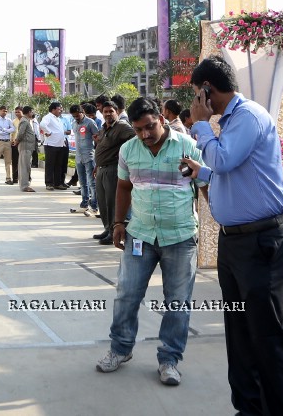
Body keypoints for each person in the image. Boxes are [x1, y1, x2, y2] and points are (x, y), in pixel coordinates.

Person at [186, 55, 283, 414]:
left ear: (207, 89)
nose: (195, 104)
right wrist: (200, 172)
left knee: (264, 335)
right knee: (239, 332)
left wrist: (201, 126)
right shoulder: (232, 123)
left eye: (197, 95)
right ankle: (248, 408)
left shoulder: (247, 115)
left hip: (261, 241)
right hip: (235, 242)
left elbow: (225, 160)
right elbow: (226, 172)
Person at [97, 98, 206, 386]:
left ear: (161, 117)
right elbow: (123, 186)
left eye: (149, 127)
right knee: (127, 295)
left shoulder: (188, 146)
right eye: (138, 129)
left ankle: (169, 359)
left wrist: (214, 229)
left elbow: (204, 188)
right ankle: (120, 349)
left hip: (180, 237)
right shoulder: (128, 150)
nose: (145, 134)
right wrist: (119, 223)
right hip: (140, 235)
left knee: (177, 303)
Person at [94, 95, 134, 245]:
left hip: (113, 170)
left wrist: (123, 154)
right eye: (105, 111)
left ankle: (113, 232)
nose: (108, 114)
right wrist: (96, 166)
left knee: (112, 202)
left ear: (117, 112)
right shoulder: (104, 128)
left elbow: (134, 138)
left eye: (111, 111)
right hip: (101, 169)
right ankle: (106, 228)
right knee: (102, 202)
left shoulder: (122, 127)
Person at [69, 104, 100, 217]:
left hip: (89, 156)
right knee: (82, 183)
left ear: (83, 112)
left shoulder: (90, 123)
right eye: (74, 116)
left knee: (92, 182)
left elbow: (98, 138)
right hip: (79, 157)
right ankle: (84, 204)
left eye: (78, 115)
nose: (76, 118)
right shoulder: (74, 124)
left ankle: (94, 206)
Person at [40, 102, 68, 190]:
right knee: (50, 165)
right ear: (53, 109)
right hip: (51, 145)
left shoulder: (58, 119)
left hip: (60, 144)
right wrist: (48, 132)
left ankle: (57, 183)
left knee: (58, 165)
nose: (61, 110)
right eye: (59, 109)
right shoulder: (48, 117)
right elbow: (42, 125)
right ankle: (49, 183)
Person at [13, 106, 38, 192]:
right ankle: (24, 186)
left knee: (27, 166)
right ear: (29, 112)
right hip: (25, 146)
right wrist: (16, 141)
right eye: (32, 111)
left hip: (29, 147)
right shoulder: (24, 121)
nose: (33, 113)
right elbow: (20, 133)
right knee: (24, 166)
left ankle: (26, 183)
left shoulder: (28, 121)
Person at [0, 106, 14, 184]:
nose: (5, 112)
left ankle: (8, 178)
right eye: (3, 111)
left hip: (7, 142)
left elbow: (13, 129)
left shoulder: (9, 120)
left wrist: (4, 130)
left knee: (8, 162)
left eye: (6, 111)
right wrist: (7, 131)